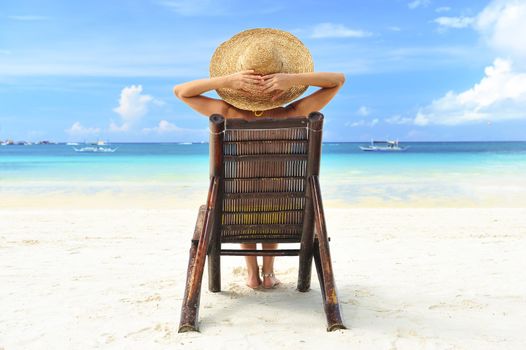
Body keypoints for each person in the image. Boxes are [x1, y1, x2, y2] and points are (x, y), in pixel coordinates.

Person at [173, 28, 344, 289]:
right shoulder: (295, 113)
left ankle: (252, 275)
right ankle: (269, 274)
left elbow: (181, 91)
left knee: (244, 198)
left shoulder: (227, 112)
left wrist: (225, 81)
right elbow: (338, 80)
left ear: (241, 87)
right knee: (274, 196)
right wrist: (292, 78)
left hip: (234, 213)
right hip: (289, 212)